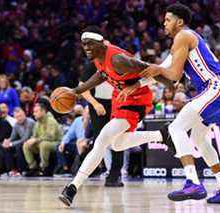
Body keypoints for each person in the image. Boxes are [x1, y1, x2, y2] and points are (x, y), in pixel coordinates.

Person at [59, 26, 173, 206]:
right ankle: (162, 135)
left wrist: (171, 84)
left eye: (90, 44)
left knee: (102, 140)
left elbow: (151, 70)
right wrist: (76, 91)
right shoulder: (98, 58)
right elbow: (100, 76)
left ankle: (72, 187)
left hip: (137, 100)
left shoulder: (118, 59)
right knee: (117, 144)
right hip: (119, 99)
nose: (86, 48)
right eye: (84, 45)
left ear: (101, 44)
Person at [138, 3, 220, 203]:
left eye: (168, 19)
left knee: (176, 128)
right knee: (200, 140)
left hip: (214, 87)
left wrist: (153, 70)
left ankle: (193, 182)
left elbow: (173, 75)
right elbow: (164, 67)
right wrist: (137, 84)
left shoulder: (182, 36)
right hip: (219, 89)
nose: (164, 23)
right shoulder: (183, 40)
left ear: (180, 21)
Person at [1, 107, 35, 176]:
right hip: (21, 143)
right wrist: (7, 142)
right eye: (17, 117)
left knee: (18, 147)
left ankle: (23, 170)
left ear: (24, 114)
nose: (19, 118)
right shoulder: (16, 124)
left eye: (20, 116)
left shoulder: (30, 122)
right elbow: (12, 137)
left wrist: (11, 144)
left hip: (31, 142)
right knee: (4, 147)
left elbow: (25, 138)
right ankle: (11, 170)